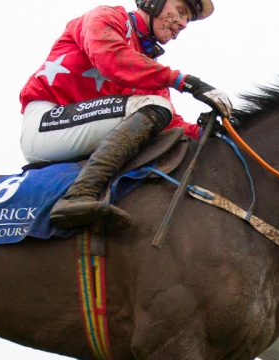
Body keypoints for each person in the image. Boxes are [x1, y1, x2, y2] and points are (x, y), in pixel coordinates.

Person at [18, 0, 232, 231]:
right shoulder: (106, 17)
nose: (182, 24)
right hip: (46, 123)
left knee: (161, 114)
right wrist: (184, 81)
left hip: (79, 133)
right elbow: (111, 60)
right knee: (156, 104)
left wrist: (205, 132)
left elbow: (170, 124)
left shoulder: (148, 67)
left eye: (187, 19)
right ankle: (79, 195)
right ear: (153, 2)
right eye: (180, 12)